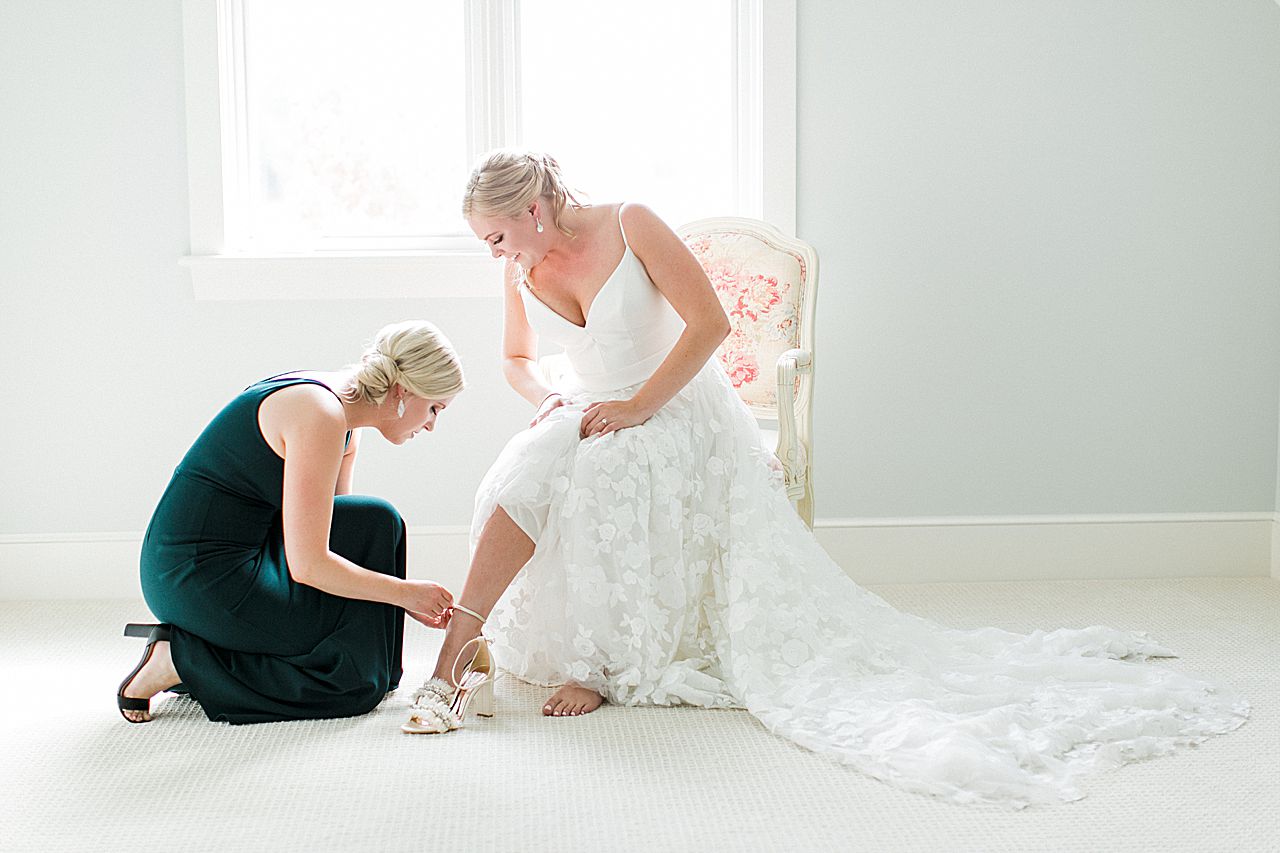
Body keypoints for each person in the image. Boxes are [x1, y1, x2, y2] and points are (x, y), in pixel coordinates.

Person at [406, 151, 1247, 808]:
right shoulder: (522, 268)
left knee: (608, 476)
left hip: (677, 402)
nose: (495, 253)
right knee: (516, 471)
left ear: (535, 208)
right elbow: (518, 359)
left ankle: (602, 662)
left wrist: (639, 404)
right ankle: (458, 654)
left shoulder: (633, 223)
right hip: (590, 405)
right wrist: (555, 394)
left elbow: (712, 325)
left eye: (498, 235)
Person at [117, 320, 464, 725]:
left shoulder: (345, 416)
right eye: (435, 408)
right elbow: (310, 565)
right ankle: (179, 659)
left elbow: (336, 534)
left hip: (252, 553)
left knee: (377, 523)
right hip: (197, 577)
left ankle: (235, 656)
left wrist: (396, 596)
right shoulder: (320, 415)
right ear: (403, 392)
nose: (431, 425)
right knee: (350, 682)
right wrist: (403, 594)